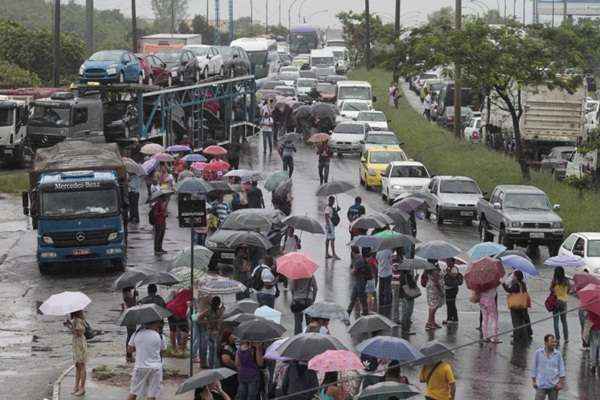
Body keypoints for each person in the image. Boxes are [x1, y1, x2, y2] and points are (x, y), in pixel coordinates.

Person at [126, 320, 167, 400]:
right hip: (155, 368)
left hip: (140, 367)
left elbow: (129, 350)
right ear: (155, 323)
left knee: (133, 392)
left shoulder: (136, 334)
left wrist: (139, 347)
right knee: (152, 395)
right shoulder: (160, 336)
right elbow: (163, 351)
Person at [531, 334, 566, 400]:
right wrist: (533, 381)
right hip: (541, 384)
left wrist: (561, 383)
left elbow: (561, 369)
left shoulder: (558, 354)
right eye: (552, 342)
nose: (554, 344)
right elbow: (534, 367)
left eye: (555, 342)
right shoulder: (538, 353)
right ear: (546, 343)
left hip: (553, 385)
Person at [502, 271, 533, 344]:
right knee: (522, 321)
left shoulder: (515, 285)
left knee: (516, 322)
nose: (513, 276)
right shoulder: (523, 284)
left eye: (514, 275)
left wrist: (503, 283)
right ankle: (524, 336)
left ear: (516, 277)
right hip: (523, 305)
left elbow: (508, 290)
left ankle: (516, 339)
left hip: (516, 306)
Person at [64, 310, 87, 396]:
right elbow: (76, 332)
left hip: (80, 345)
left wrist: (70, 327)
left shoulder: (78, 320)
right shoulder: (76, 320)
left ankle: (82, 388)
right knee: (77, 366)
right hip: (76, 344)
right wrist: (69, 325)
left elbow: (79, 333)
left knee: (82, 365)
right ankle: (76, 387)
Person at [347, 247, 372, 317]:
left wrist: (352, 271)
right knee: (358, 297)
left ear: (353, 252)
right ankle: (363, 312)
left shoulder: (358, 261)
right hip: (361, 281)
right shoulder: (361, 259)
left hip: (359, 281)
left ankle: (363, 312)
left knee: (358, 297)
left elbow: (353, 272)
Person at [550, 267, 571, 343]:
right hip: (563, 302)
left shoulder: (554, 280)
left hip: (556, 301)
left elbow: (551, 289)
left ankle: (557, 338)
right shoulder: (566, 280)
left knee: (556, 321)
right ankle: (566, 338)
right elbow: (569, 289)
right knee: (564, 321)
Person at [424, 263, 444, 331]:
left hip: (431, 288)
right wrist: (441, 291)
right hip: (434, 289)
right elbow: (436, 282)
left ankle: (432, 322)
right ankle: (430, 323)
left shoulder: (429, 268)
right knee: (433, 307)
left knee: (432, 306)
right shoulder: (434, 270)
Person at [442, 259, 463, 325]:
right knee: (449, 304)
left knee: (451, 304)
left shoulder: (454, 268)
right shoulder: (448, 268)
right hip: (448, 288)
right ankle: (451, 318)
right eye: (447, 261)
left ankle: (452, 319)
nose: (448, 263)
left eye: (449, 261)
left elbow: (454, 276)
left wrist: (448, 272)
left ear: (453, 262)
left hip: (452, 289)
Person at [122, 287, 139, 362]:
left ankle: (129, 355)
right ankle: (129, 355)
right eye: (130, 292)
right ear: (128, 292)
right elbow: (134, 305)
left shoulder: (126, 297)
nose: (130, 293)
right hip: (131, 319)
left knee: (130, 335)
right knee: (131, 336)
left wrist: (135, 296)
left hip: (129, 318)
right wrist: (135, 295)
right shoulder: (128, 298)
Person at [376, 247, 393, 317]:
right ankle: (387, 305)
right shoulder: (389, 251)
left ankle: (381, 304)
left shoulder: (378, 252)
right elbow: (391, 261)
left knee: (381, 289)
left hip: (380, 273)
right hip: (388, 273)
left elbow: (377, 260)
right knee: (388, 289)